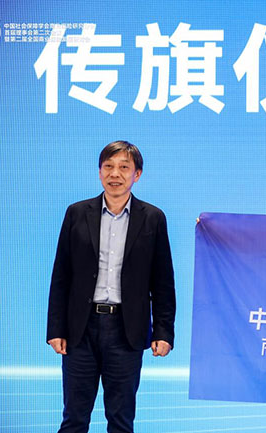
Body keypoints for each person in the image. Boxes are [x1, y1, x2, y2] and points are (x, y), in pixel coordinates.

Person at [47, 140, 176, 433]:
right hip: (81, 329)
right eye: (108, 166)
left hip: (125, 331)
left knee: (120, 420)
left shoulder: (152, 218)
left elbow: (163, 282)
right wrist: (56, 329)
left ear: (137, 174)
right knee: (74, 418)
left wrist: (163, 332)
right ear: (99, 171)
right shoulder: (77, 213)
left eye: (123, 167)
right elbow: (61, 276)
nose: (114, 174)